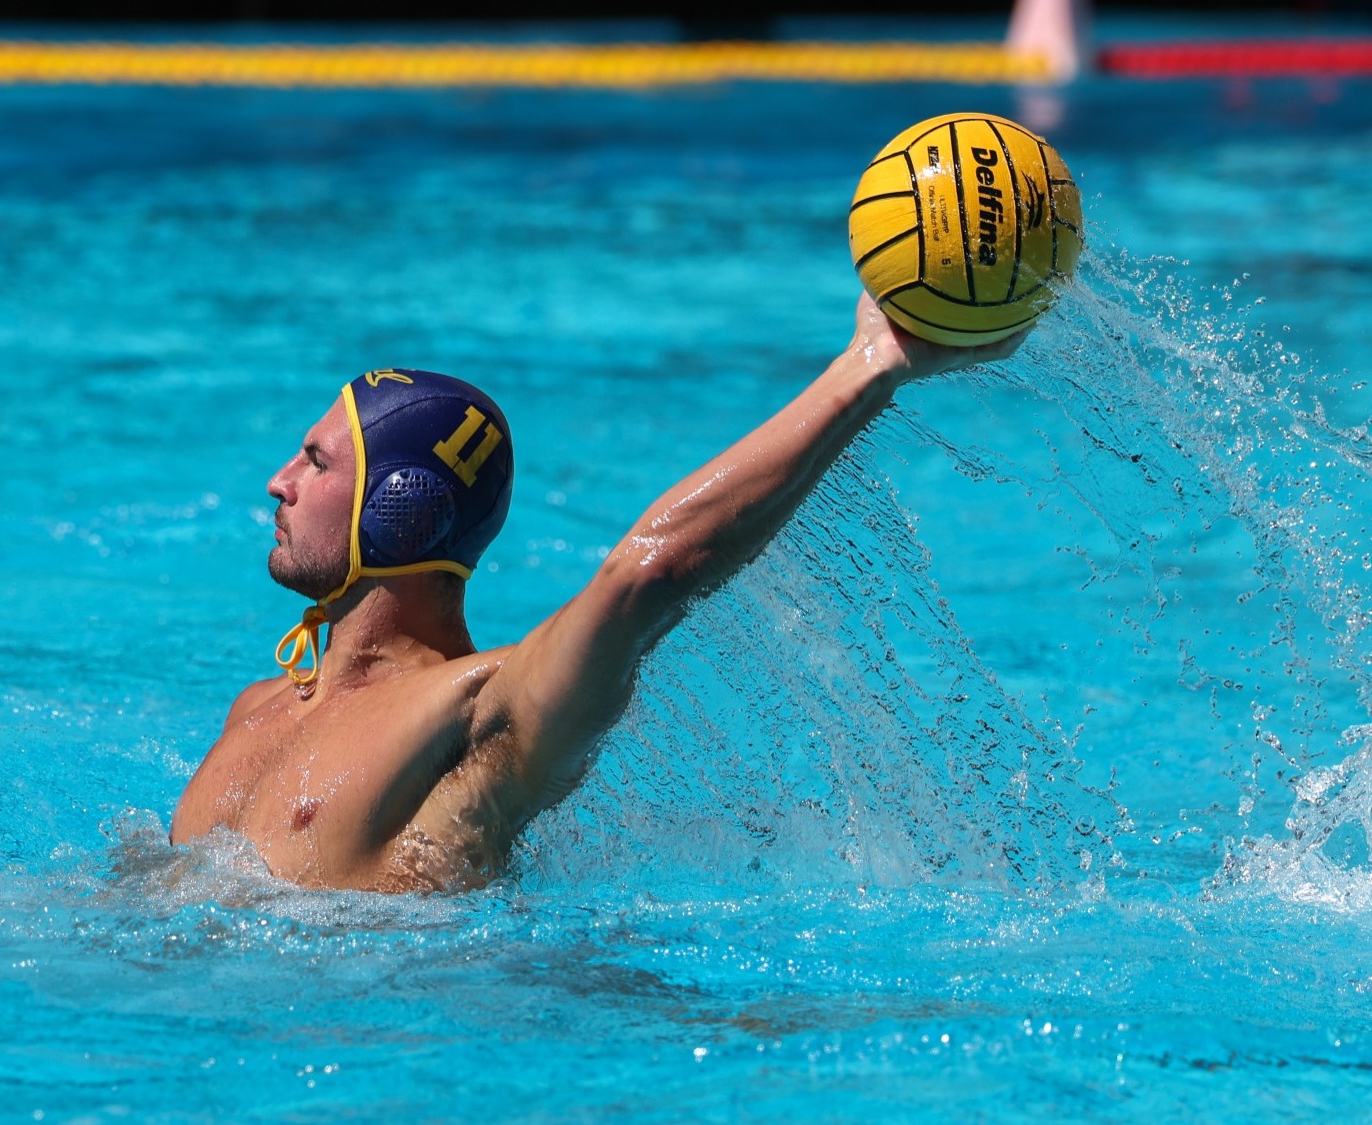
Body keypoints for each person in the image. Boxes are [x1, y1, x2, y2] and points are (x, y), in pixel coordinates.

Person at [170, 295, 1029, 891]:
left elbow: (646, 575)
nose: (277, 482)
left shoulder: (479, 717)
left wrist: (869, 366)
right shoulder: (258, 707)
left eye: (317, 463)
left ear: (398, 507)